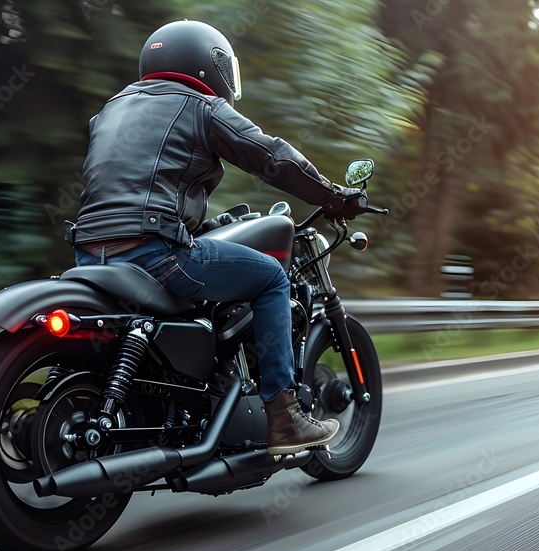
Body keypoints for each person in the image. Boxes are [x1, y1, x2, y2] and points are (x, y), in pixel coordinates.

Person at [66, 20, 368, 455]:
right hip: (155, 254)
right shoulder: (200, 106)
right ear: (210, 65)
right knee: (270, 277)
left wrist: (197, 225)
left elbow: (128, 185)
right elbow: (274, 158)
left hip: (90, 254)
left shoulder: (111, 109)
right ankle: (284, 419)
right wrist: (335, 197)